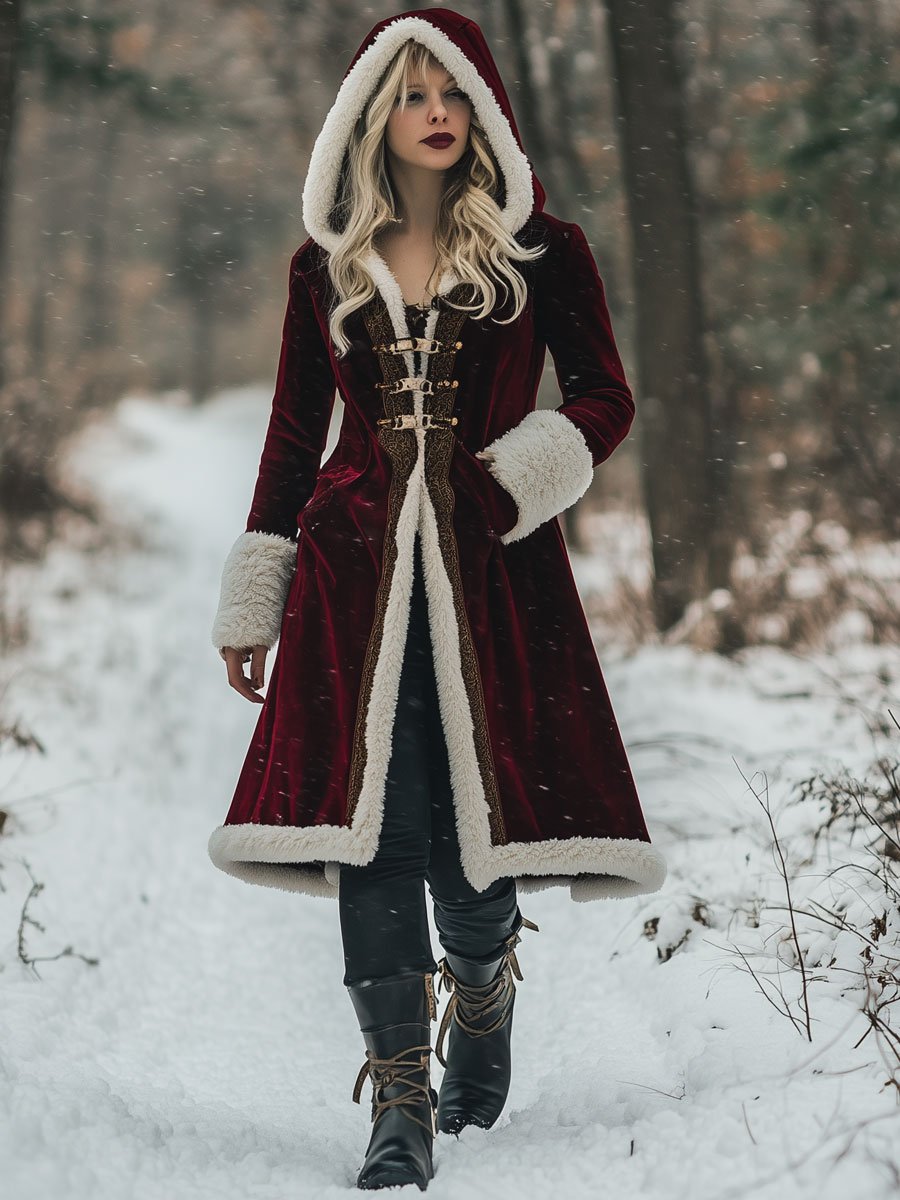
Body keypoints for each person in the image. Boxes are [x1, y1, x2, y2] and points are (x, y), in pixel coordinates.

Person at [209, 7, 666, 1192]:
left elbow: (607, 396)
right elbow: (289, 439)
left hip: (492, 579)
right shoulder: (326, 266)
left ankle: (486, 978)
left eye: (453, 93)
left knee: (472, 850)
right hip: (351, 587)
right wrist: (255, 595)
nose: (436, 114)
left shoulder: (542, 251)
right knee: (375, 834)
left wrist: (520, 477)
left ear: (482, 109)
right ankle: (398, 1098)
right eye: (412, 94)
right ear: (373, 113)